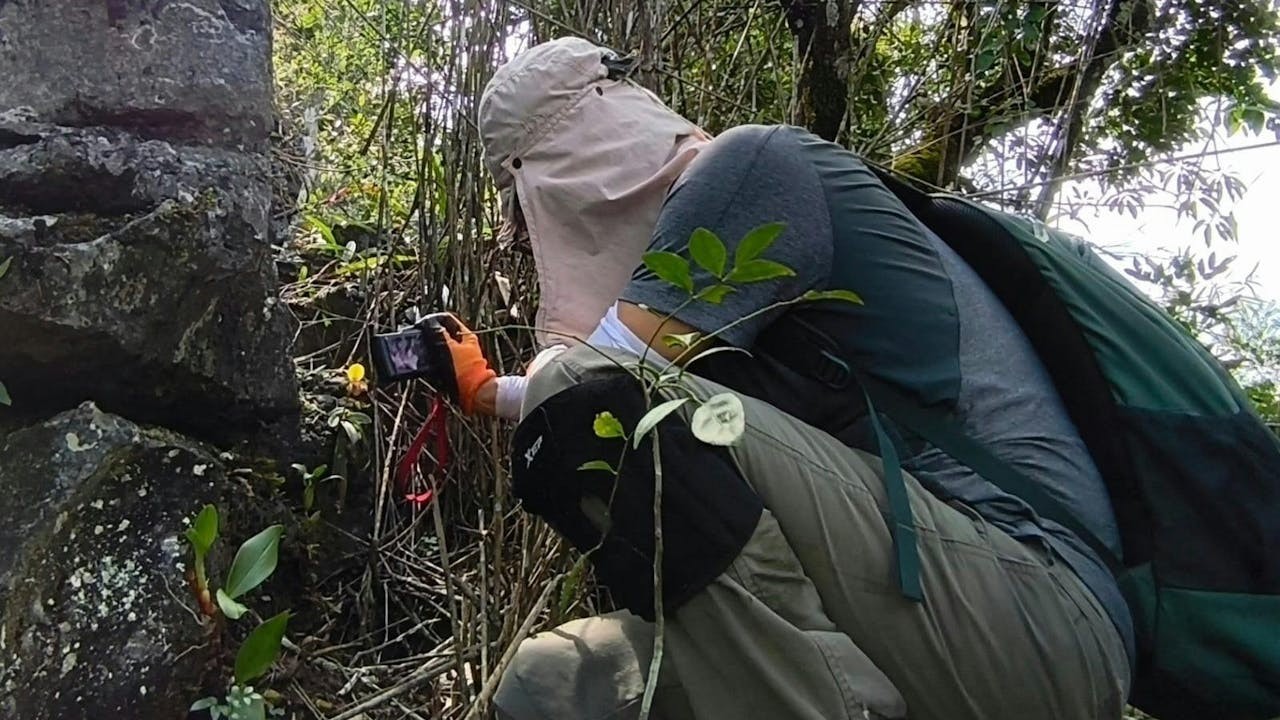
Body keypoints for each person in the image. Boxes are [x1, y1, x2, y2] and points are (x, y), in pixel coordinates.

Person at [438, 36, 1133, 720]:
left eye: (529, 206)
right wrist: (485, 391)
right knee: (550, 686)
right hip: (923, 613)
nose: (527, 235)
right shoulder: (714, 305)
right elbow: (618, 373)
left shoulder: (751, 166)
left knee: (586, 395)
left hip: (1031, 611)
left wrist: (532, 389)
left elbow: (602, 384)